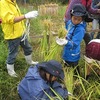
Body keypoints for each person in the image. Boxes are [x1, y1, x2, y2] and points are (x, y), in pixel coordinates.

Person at [0, 0, 38, 77]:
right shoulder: (2, 3)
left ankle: (29, 62)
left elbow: (17, 16)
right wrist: (25, 16)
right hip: (12, 34)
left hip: (21, 32)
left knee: (28, 48)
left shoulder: (13, 1)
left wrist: (27, 18)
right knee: (13, 53)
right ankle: (11, 71)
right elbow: (11, 19)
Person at [56, 4, 87, 72]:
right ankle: (66, 74)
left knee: (74, 66)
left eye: (79, 19)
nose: (76, 21)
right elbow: (66, 32)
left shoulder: (80, 30)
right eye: (74, 18)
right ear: (71, 16)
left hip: (73, 52)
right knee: (66, 63)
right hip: (66, 50)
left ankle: (77, 78)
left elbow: (75, 43)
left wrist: (66, 42)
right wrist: (61, 37)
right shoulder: (69, 23)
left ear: (82, 19)